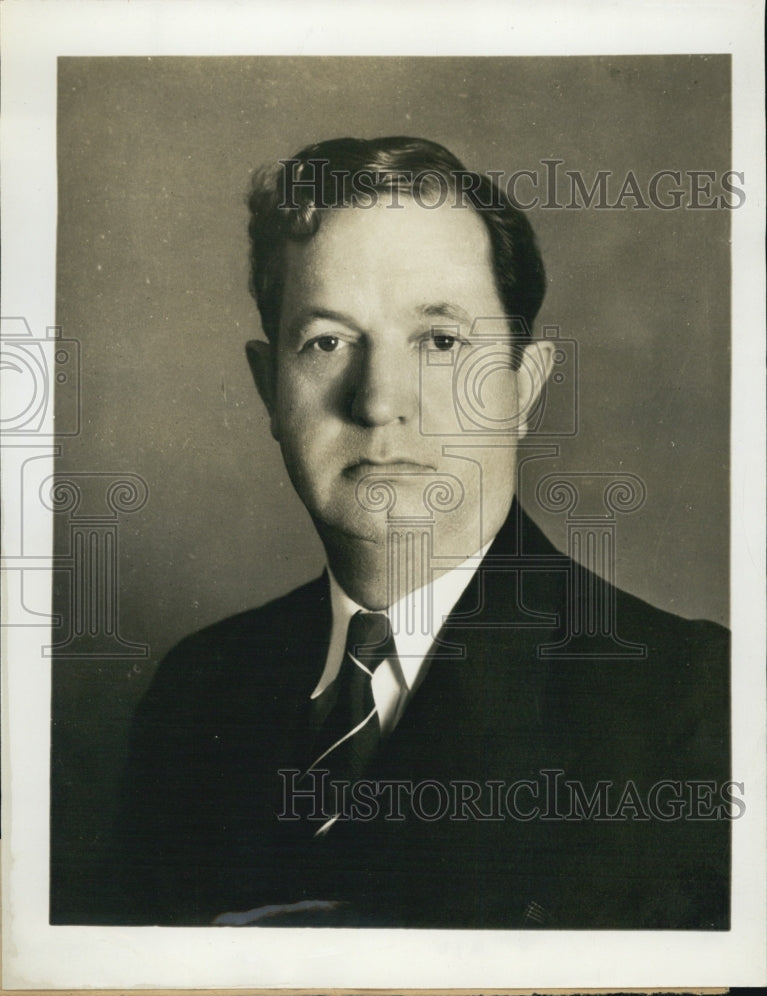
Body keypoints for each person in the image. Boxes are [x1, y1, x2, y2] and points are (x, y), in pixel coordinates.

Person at [113, 136, 730, 929]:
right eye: (327, 341)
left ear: (523, 386)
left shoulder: (689, 705)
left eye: (439, 342)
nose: (378, 403)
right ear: (269, 387)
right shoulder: (194, 695)